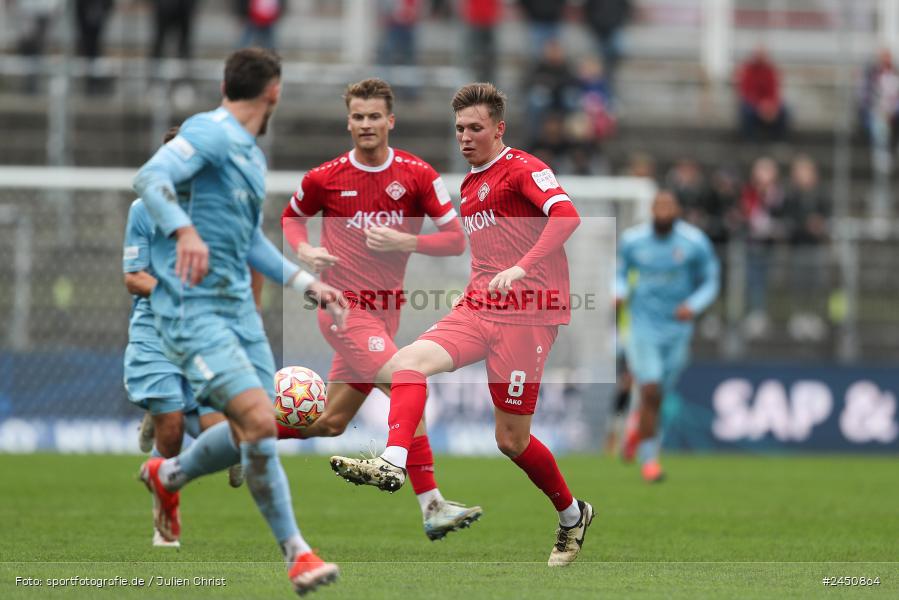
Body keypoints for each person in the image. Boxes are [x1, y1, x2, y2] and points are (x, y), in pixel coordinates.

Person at [330, 82, 594, 567]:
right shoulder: (470, 185)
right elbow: (488, 251)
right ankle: (393, 458)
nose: (466, 137)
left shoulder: (525, 169)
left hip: (529, 318)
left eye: (475, 128)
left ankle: (572, 515)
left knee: (510, 440)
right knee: (405, 362)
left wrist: (522, 267)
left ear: (499, 128)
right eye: (459, 129)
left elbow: (566, 216)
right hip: (478, 310)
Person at [132, 48, 345, 595]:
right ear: (274, 91)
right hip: (193, 310)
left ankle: (168, 474)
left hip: (240, 313)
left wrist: (305, 284)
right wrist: (183, 231)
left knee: (262, 425)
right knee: (254, 419)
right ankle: (297, 553)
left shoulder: (250, 156)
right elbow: (151, 175)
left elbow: (249, 240)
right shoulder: (210, 132)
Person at [279, 78, 480, 541]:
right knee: (410, 381)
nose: (365, 124)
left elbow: (454, 240)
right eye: (357, 116)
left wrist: (407, 239)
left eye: (374, 117)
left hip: (386, 312)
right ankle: (424, 498)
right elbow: (291, 218)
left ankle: (241, 436)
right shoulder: (324, 177)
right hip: (343, 310)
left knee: (330, 422)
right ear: (347, 121)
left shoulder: (417, 175)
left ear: (390, 121)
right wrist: (304, 251)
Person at [124, 128, 248, 548]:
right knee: (172, 430)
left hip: (203, 331)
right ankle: (165, 520)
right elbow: (133, 277)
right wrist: (171, 292)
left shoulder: (219, 214)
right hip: (156, 329)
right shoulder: (143, 210)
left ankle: (158, 410)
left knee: (229, 439)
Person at [616, 190, 720, 482]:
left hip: (677, 328)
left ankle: (638, 424)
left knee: (659, 395)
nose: (662, 212)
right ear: (651, 210)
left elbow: (711, 280)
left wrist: (694, 305)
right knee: (651, 389)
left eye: (668, 206)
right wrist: (619, 292)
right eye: (658, 206)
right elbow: (620, 273)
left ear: (677, 211)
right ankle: (650, 461)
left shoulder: (694, 242)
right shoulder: (633, 241)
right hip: (642, 326)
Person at [736, 45, 789, 140]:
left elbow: (775, 91)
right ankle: (749, 141)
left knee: (785, 111)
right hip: (753, 104)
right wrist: (759, 105)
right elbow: (746, 92)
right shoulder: (748, 70)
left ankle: (779, 141)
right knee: (746, 111)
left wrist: (770, 104)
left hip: (768, 104)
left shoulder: (770, 70)